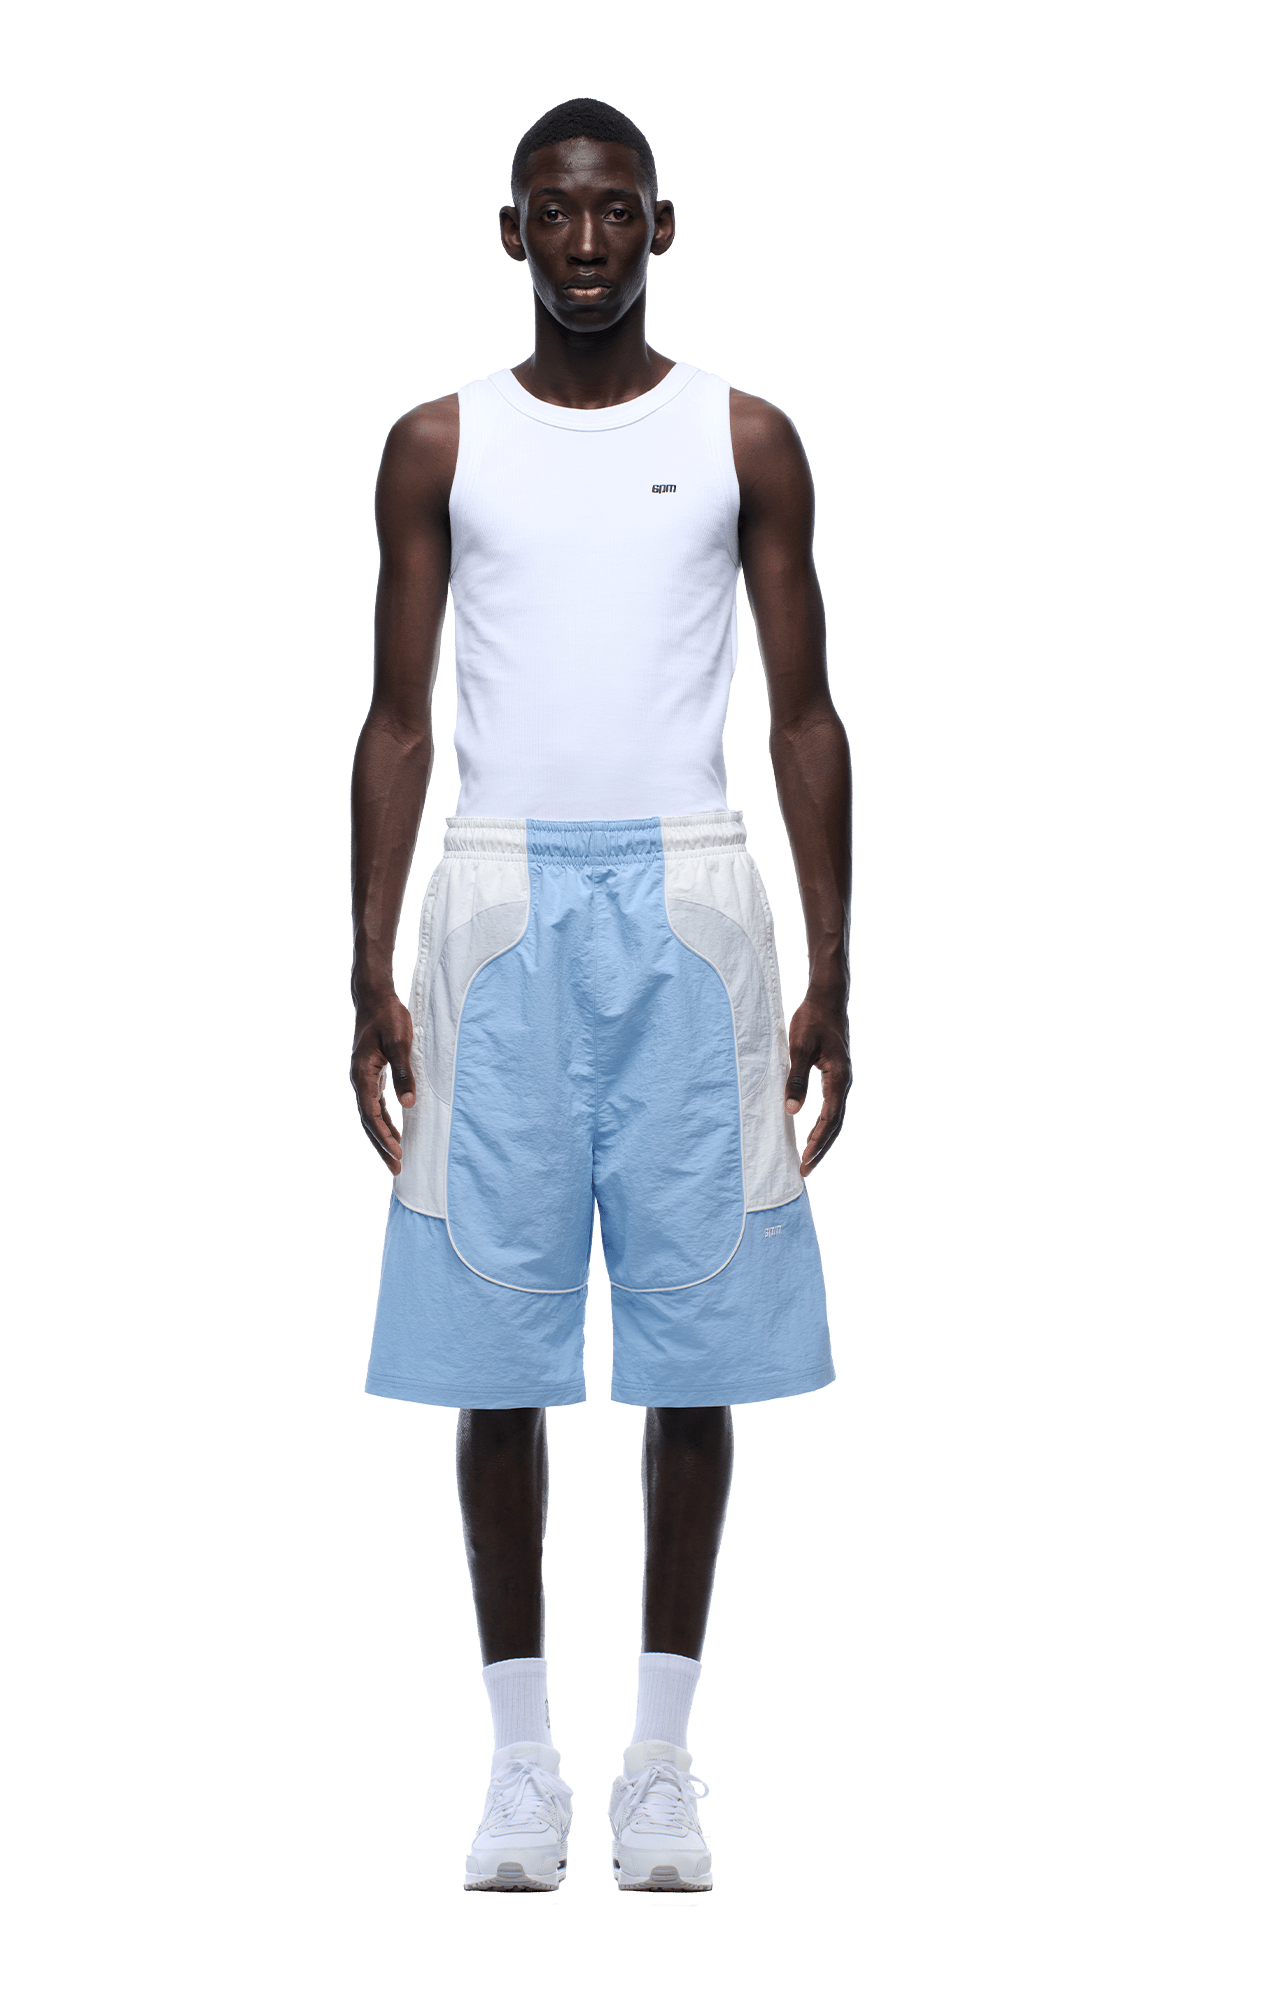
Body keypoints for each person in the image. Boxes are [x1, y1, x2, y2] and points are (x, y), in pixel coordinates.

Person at [350, 98, 852, 1894]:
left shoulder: (742, 437)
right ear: (512, 232)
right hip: (493, 900)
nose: (584, 244)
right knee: (495, 1351)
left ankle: (658, 1764)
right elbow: (398, 716)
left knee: (693, 1346)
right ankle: (517, 1772)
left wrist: (835, 961)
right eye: (555, 214)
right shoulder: (441, 442)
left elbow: (804, 712)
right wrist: (367, 958)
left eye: (615, 212)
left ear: (661, 226)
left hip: (693, 898)